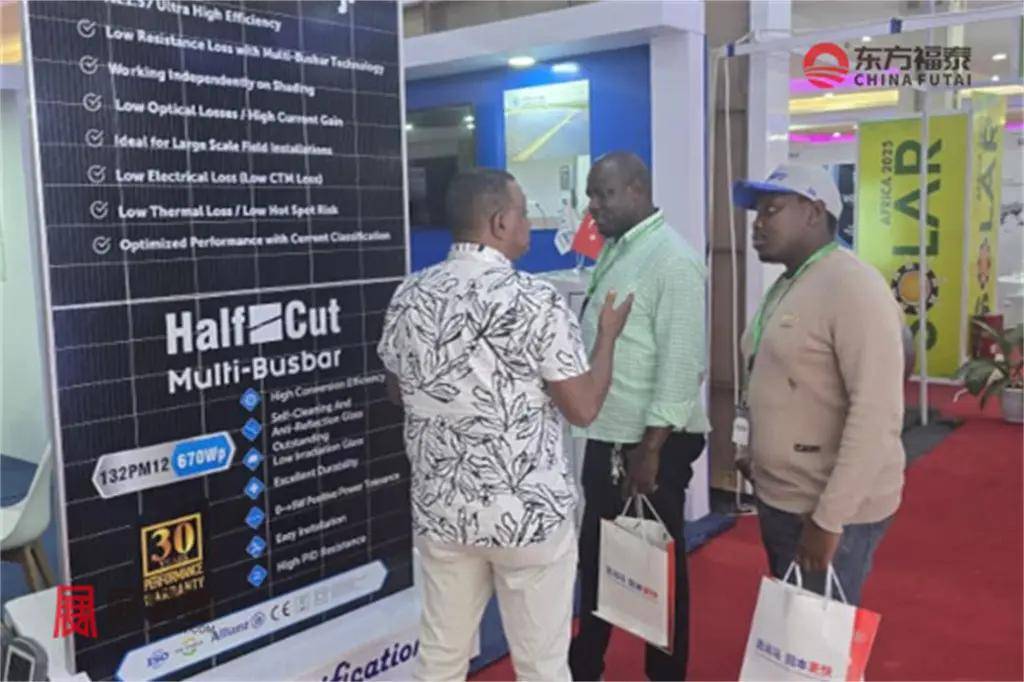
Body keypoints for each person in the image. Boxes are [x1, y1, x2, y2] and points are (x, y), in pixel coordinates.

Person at [377, 168, 634, 681]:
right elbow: (583, 408)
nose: (528, 224)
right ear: (499, 222)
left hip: (443, 513)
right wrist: (608, 336)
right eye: (523, 213)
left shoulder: (409, 294)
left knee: (440, 660)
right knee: (542, 667)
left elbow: (397, 389)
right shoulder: (536, 300)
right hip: (527, 518)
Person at [731, 163, 906, 605]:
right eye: (757, 212)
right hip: (782, 497)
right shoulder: (792, 281)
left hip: (826, 509)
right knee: (793, 624)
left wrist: (830, 519)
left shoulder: (852, 286)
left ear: (813, 212)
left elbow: (877, 414)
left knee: (817, 633)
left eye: (772, 210)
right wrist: (752, 449)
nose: (757, 223)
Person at [568, 152, 709, 681]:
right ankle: (585, 667)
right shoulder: (621, 248)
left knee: (658, 572)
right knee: (597, 561)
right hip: (609, 436)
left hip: (650, 447)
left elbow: (681, 364)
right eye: (590, 194)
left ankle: (665, 676)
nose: (593, 206)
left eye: (603, 194)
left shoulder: (671, 259)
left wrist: (649, 451)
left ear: (636, 190)